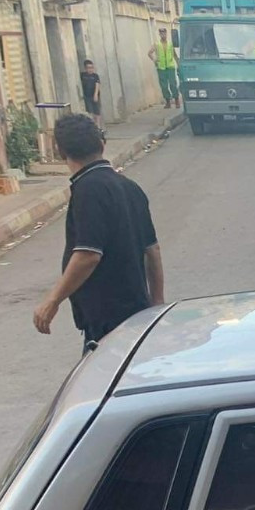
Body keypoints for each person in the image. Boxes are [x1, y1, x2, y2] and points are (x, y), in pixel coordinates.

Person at [32, 115, 163, 353]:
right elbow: (152, 250)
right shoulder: (129, 187)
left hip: (108, 322)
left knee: (96, 387)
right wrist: (157, 303)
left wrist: (52, 301)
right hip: (136, 315)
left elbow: (88, 255)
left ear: (60, 152)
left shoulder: (88, 190)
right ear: (102, 144)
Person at [149, 29, 180, 110]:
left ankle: (176, 100)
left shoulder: (170, 44)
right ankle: (168, 102)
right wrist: (154, 60)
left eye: (164, 33)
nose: (163, 35)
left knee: (173, 84)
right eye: (161, 33)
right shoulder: (157, 44)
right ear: (159, 34)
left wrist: (178, 64)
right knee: (164, 86)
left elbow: (175, 55)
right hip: (161, 68)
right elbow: (149, 53)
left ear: (166, 34)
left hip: (170, 67)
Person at [79, 58, 104, 131]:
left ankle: (98, 126)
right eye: (88, 68)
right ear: (85, 68)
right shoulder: (83, 75)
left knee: (97, 111)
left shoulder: (95, 76)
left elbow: (97, 84)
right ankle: (92, 126)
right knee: (90, 112)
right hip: (87, 96)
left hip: (94, 96)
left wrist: (96, 94)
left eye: (92, 67)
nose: (90, 69)